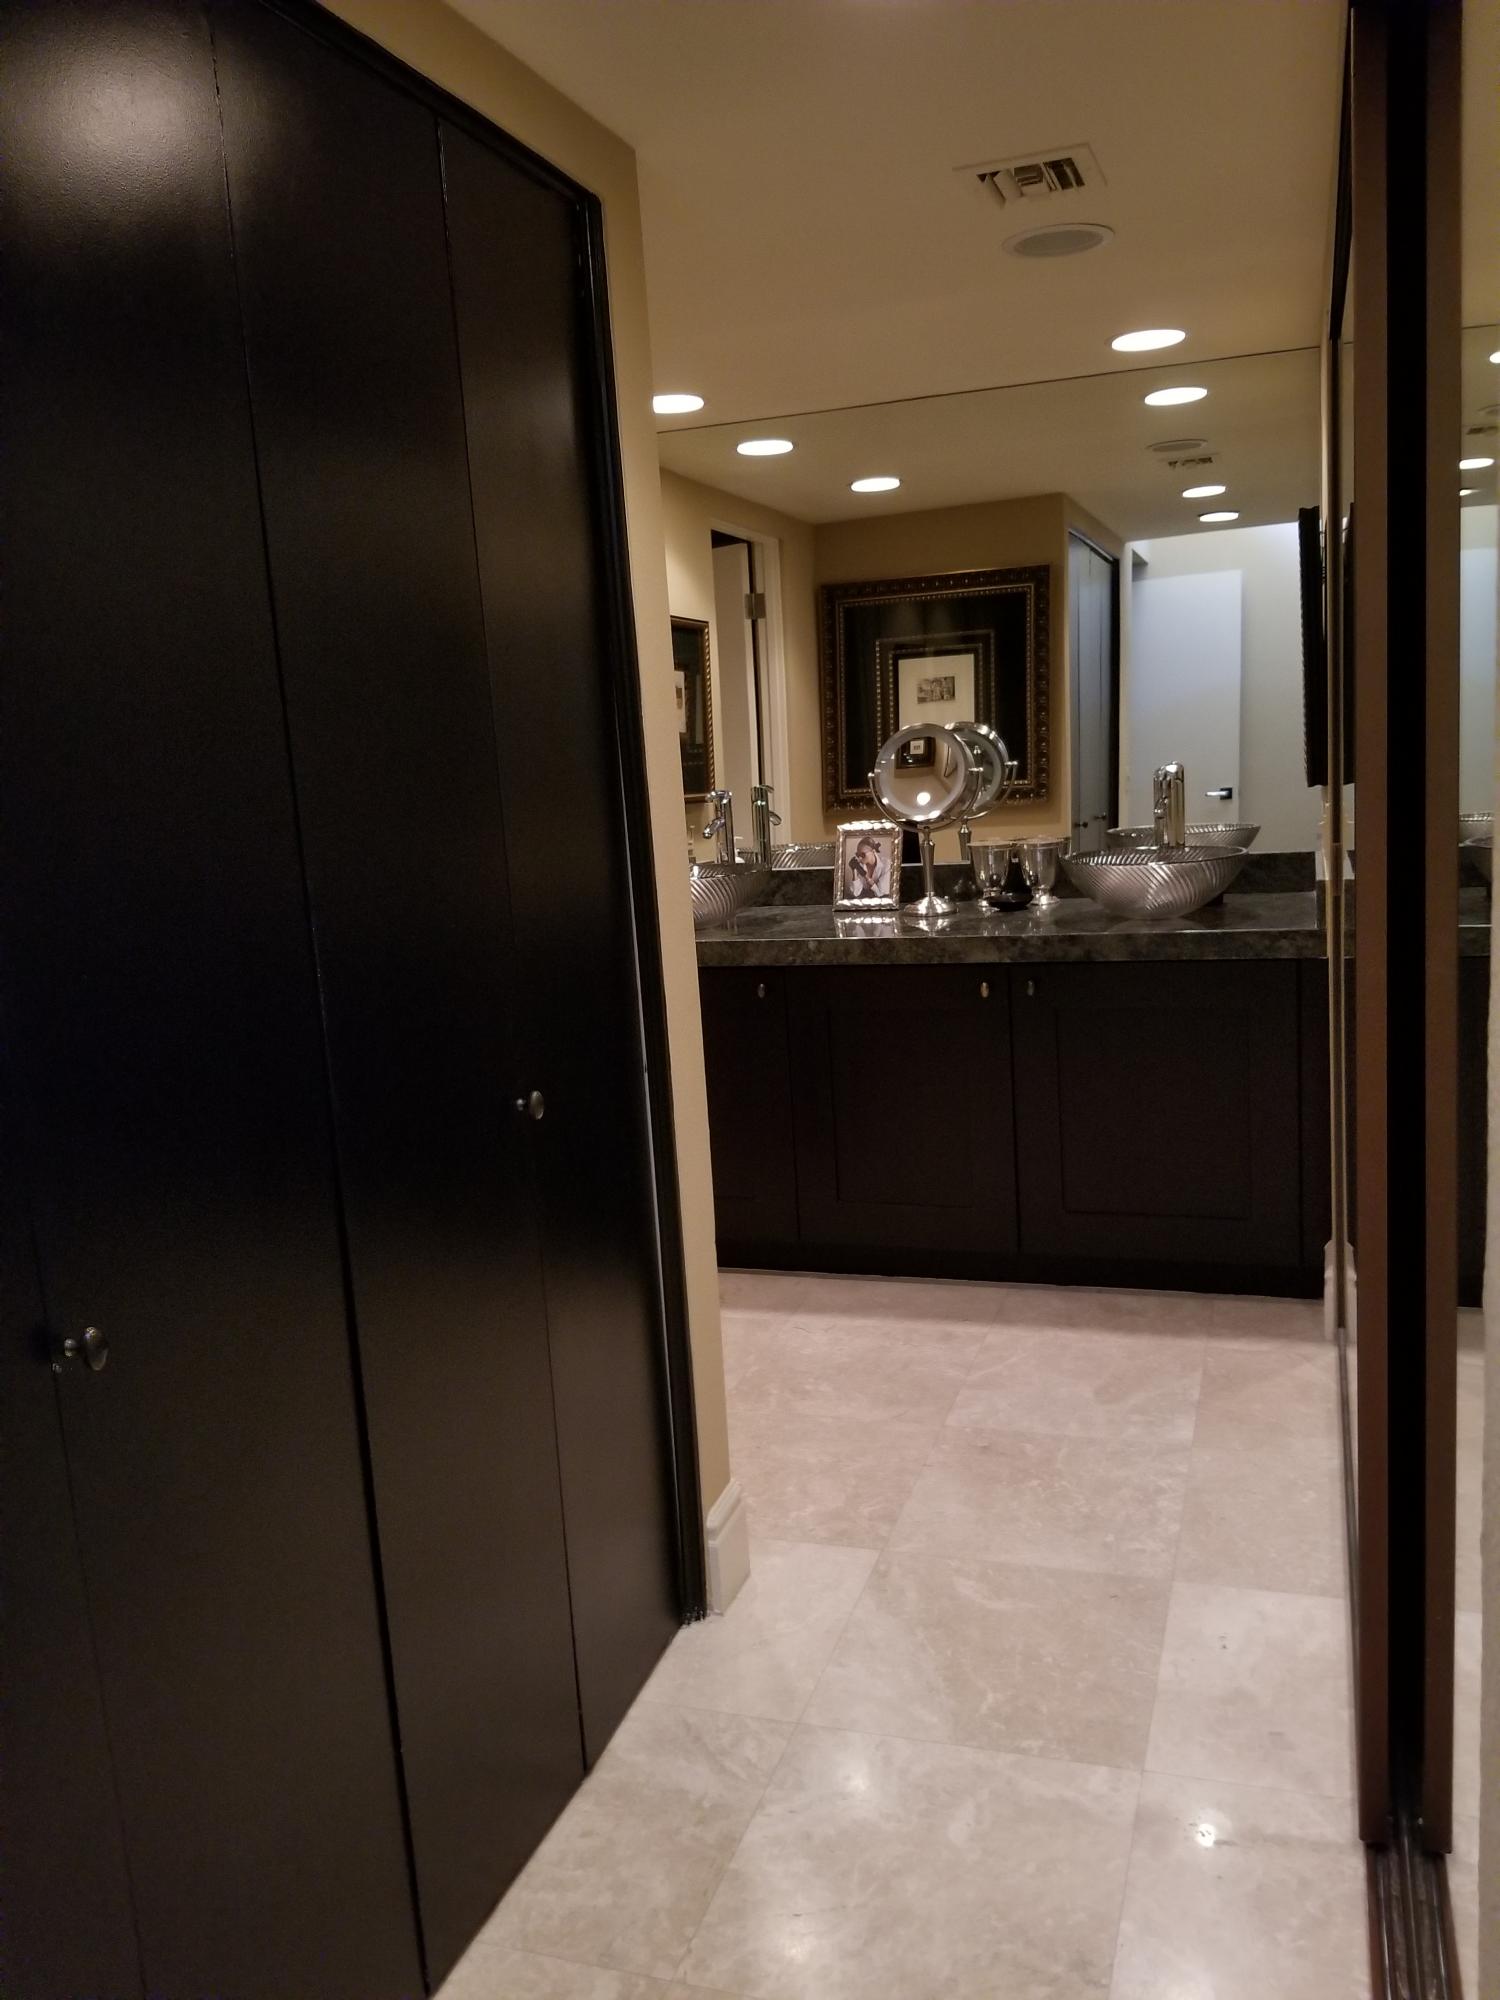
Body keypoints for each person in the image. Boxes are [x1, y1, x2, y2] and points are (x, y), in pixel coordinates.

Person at [847, 834, 889, 899]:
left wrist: (865, 875)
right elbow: (856, 893)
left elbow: (880, 893)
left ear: (873, 851)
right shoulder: (860, 865)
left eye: (863, 854)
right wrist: (854, 870)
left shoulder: (886, 864)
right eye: (858, 854)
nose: (859, 858)